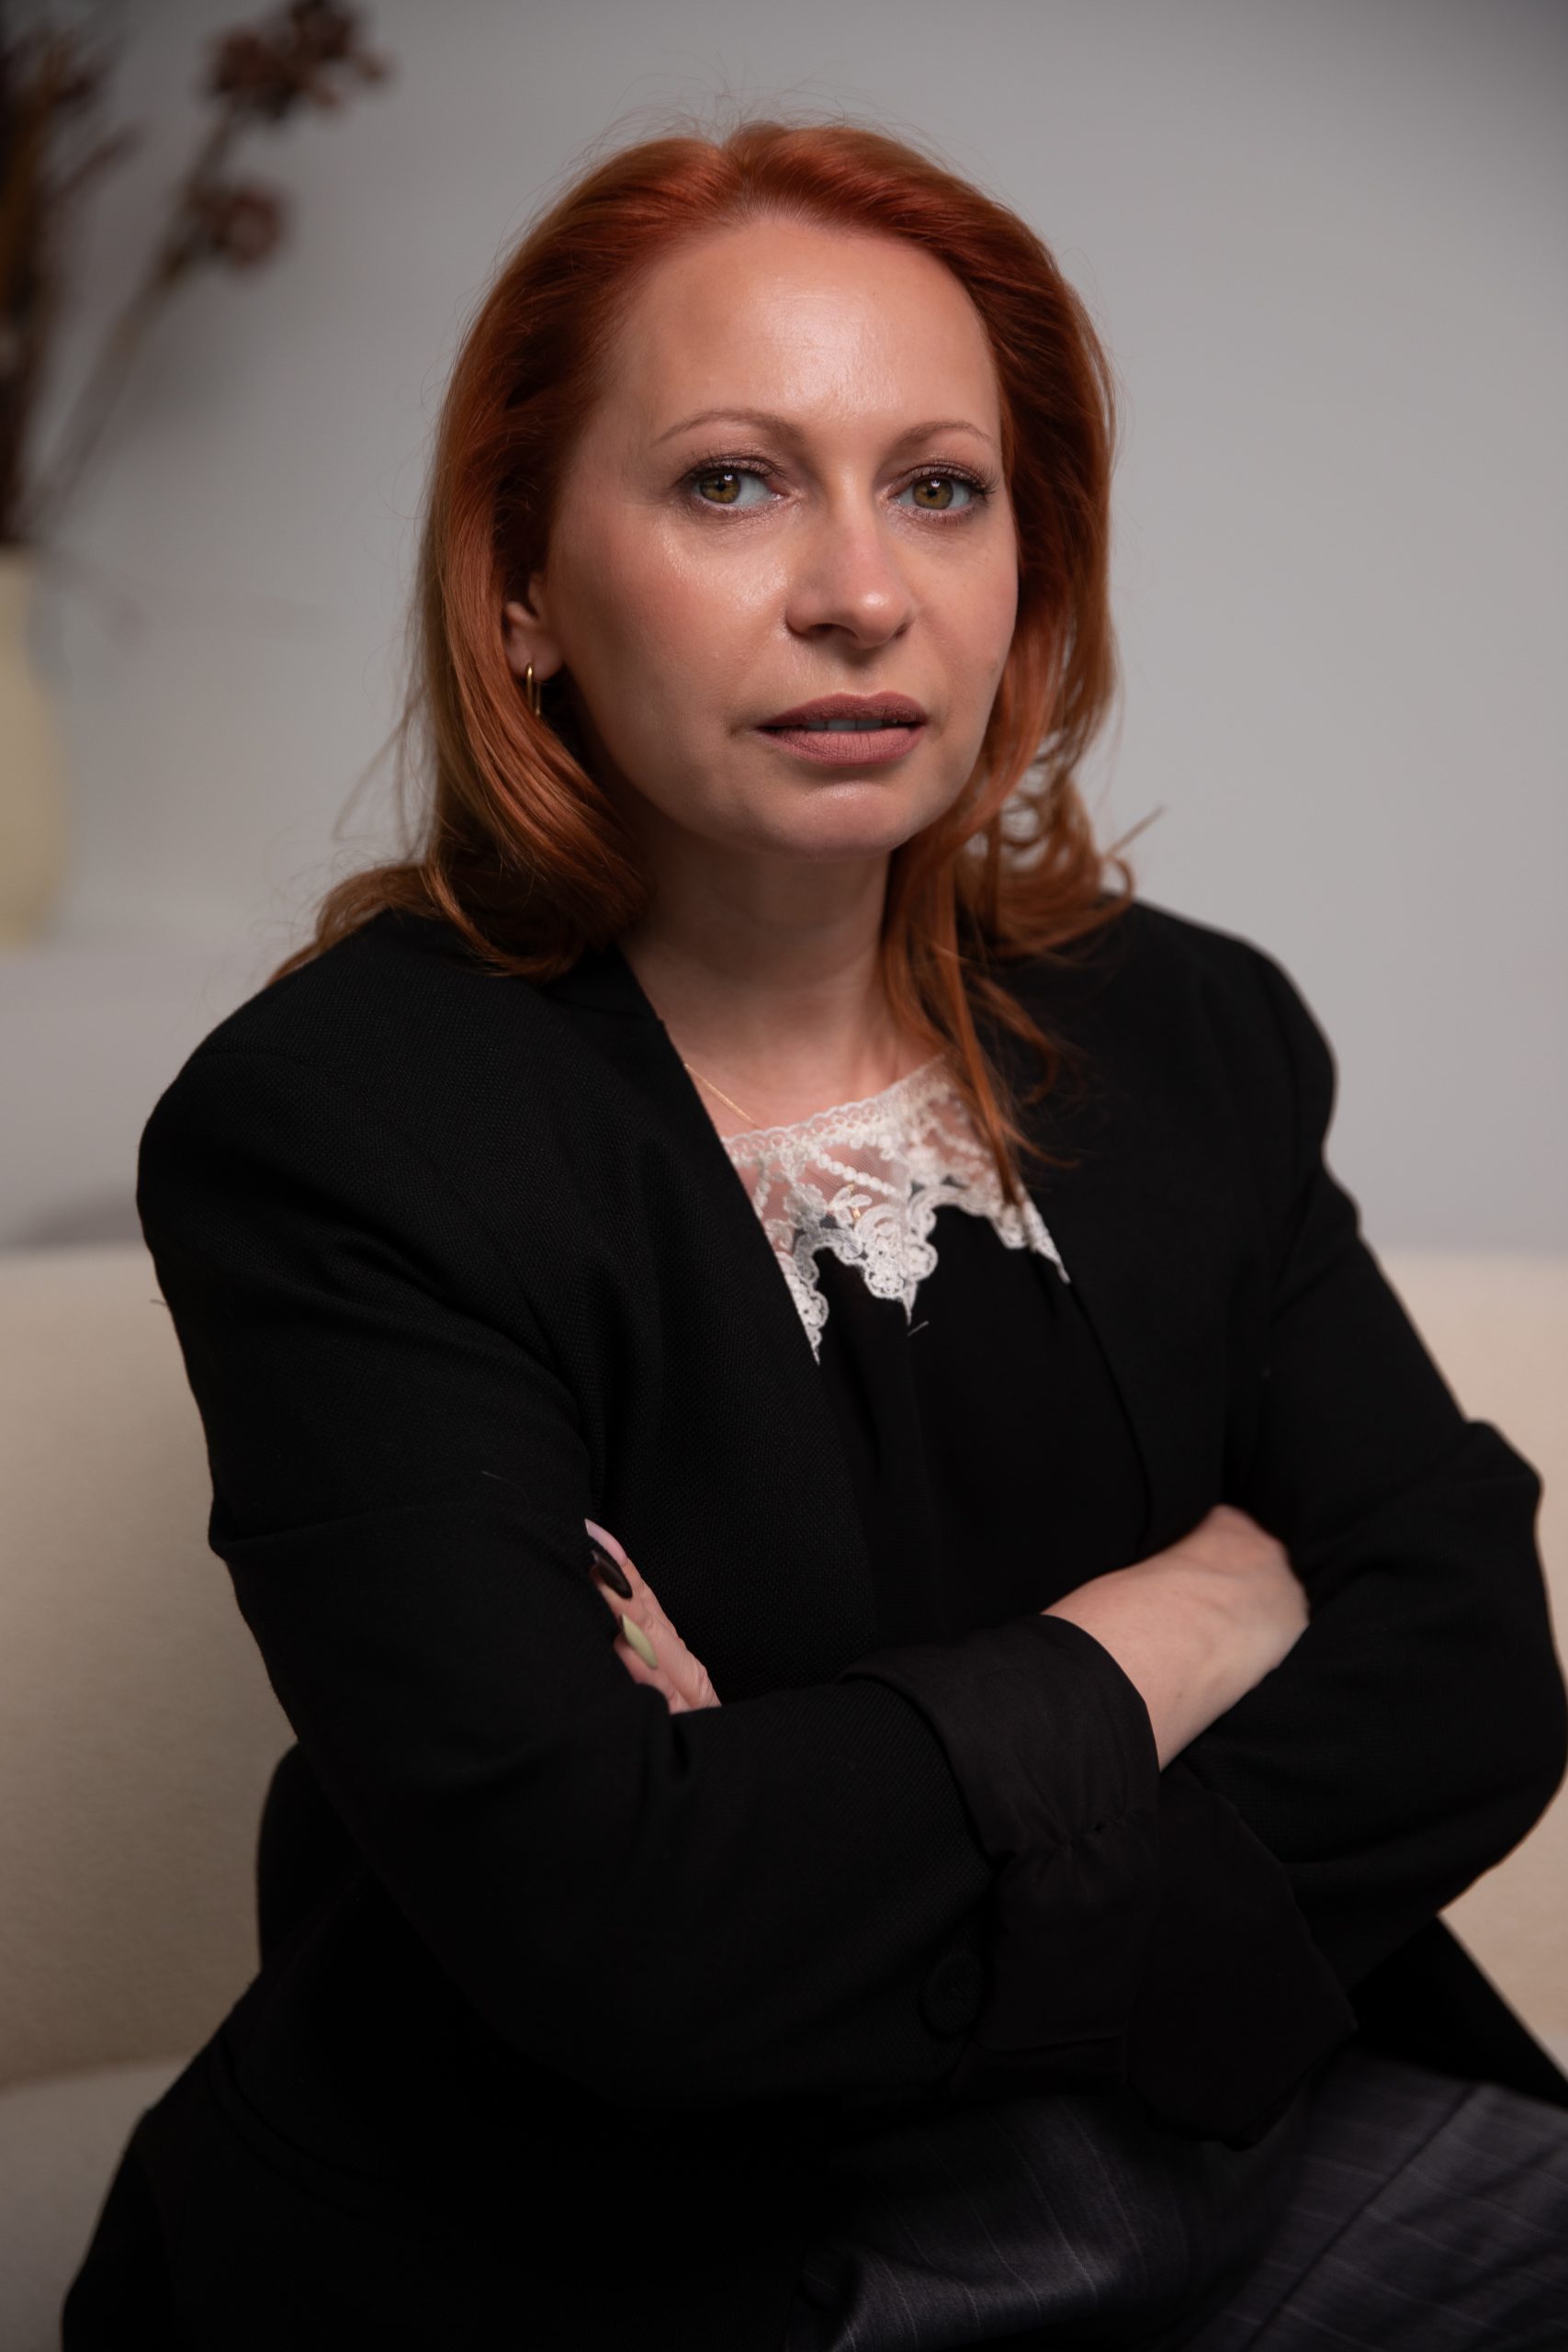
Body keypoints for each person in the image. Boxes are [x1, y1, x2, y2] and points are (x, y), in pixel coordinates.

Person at [64, 115, 1568, 2350]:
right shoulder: (339, 1130)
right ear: (519, 585)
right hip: (618, 2252)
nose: (861, 589)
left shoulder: (1184, 1029)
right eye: (731, 481)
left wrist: (810, 1804)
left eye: (938, 487)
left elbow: (1462, 1671)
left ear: (1028, 571)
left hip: (1229, 2127)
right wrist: (1163, 1633)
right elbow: (619, 1929)